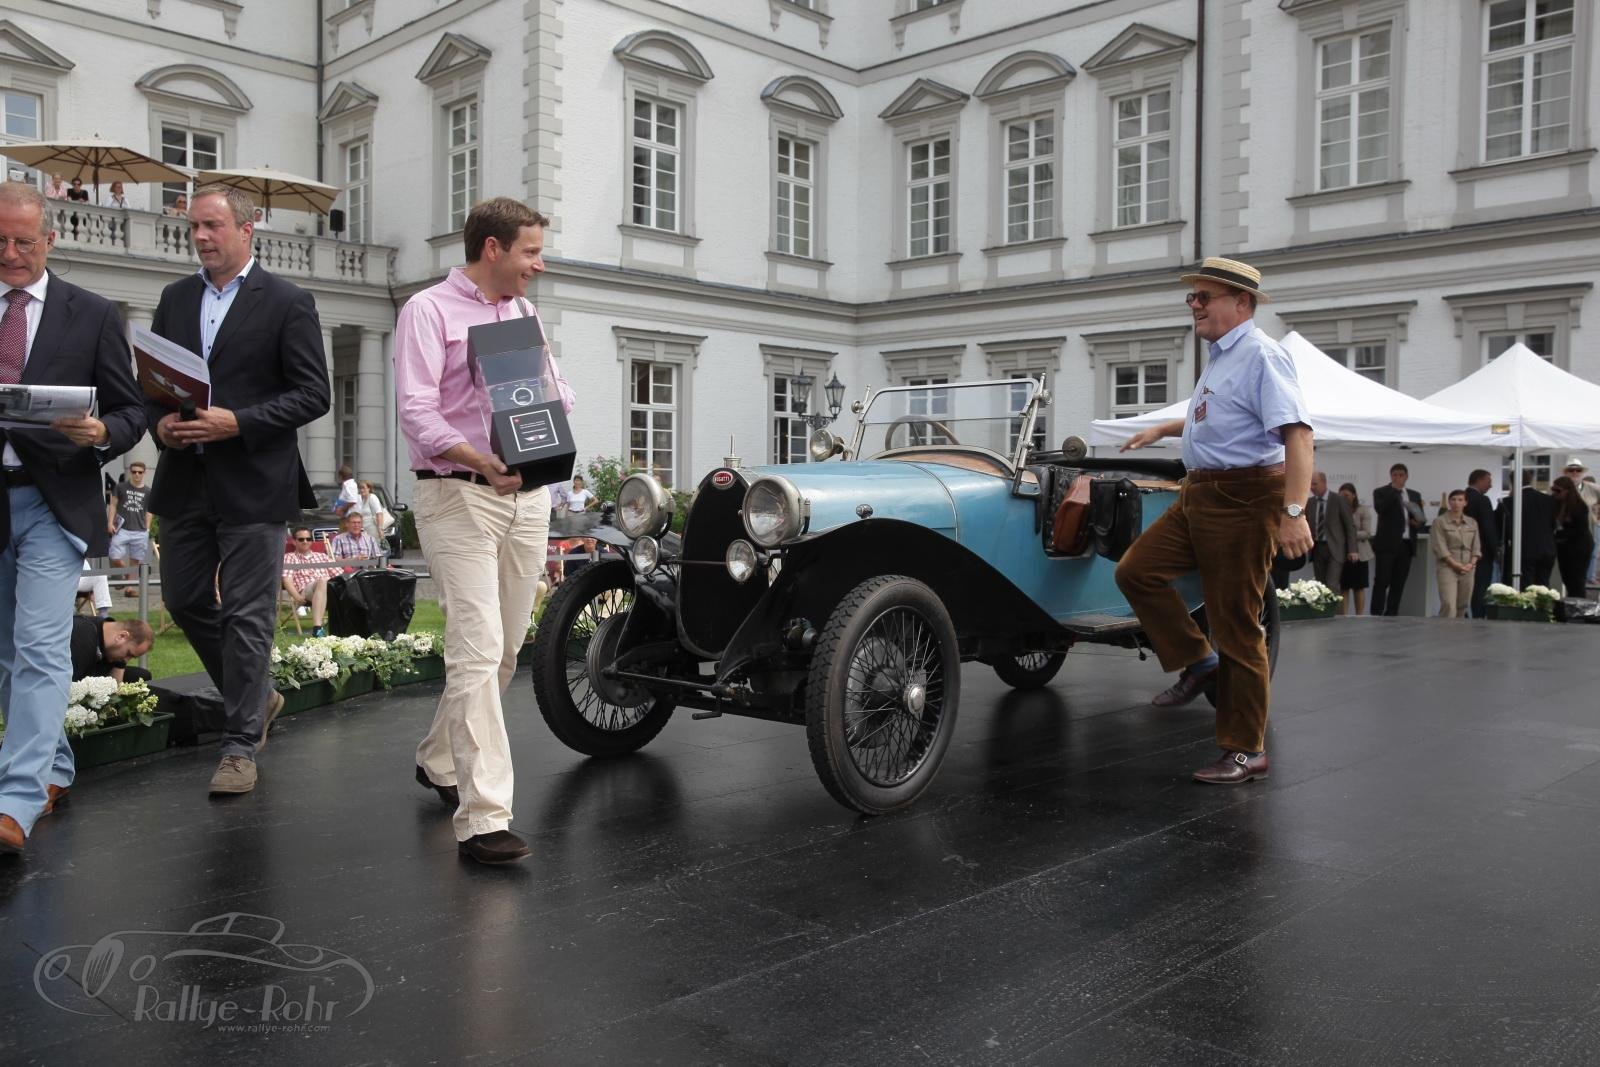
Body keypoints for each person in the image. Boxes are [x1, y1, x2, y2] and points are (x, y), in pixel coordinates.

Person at [395, 196, 575, 862]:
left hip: (528, 495)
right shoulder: (428, 311)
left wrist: (548, 414)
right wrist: (478, 456)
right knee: (476, 648)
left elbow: (556, 388)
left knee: (503, 652)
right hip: (457, 495)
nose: (539, 264)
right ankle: (484, 818)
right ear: (492, 249)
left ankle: (439, 758)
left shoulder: (523, 313)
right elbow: (416, 412)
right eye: (531, 251)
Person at [146, 182, 330, 796]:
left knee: (249, 616)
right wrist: (159, 425)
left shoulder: (287, 301)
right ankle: (256, 696)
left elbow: (314, 394)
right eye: (194, 226)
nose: (200, 236)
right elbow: (154, 386)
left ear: (247, 230)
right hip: (186, 478)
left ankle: (238, 745)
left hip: (254, 482)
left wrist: (239, 421)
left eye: (212, 226)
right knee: (184, 599)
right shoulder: (174, 298)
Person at [1115, 257, 1312, 786]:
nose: (1194, 306)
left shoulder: (1262, 355)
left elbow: (1298, 435)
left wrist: (1294, 512)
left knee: (1237, 626)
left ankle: (1246, 750)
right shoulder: (1222, 356)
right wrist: (1164, 429)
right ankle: (1200, 663)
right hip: (1200, 493)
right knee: (1136, 572)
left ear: (1242, 303)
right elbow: (1225, 415)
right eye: (1192, 297)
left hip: (1246, 499)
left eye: (1205, 297)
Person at [0, 181, 146, 857]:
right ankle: (54, 766)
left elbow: (131, 411)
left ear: (50, 240)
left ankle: (16, 799)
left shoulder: (91, 313)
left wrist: (102, 432)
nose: (10, 253)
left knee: (38, 646)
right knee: (8, 652)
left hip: (53, 501)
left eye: (23, 241)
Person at [1370, 463, 1425, 616]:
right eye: (1395, 475)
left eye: (1401, 475)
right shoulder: (1381, 492)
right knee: (1381, 581)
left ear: (1406, 477)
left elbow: (1421, 518)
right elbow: (1381, 509)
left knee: (1399, 582)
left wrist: (1418, 523)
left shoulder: (1414, 494)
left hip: (1406, 544)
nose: (1398, 478)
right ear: (1390, 476)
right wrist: (1395, 491)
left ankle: (1392, 614)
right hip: (1386, 545)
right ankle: (1376, 614)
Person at [1496, 472, 1556, 588]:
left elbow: (1504, 528)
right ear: (1530, 480)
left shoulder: (1508, 502)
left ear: (1512, 482)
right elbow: (1553, 524)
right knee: (1543, 586)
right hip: (1547, 550)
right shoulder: (1548, 500)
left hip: (1523, 551)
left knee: (1526, 588)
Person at [1431, 490, 1480, 618]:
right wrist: (1455, 564)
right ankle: (1446, 630)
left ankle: (1459, 630)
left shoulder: (1472, 522)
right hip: (1447, 566)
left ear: (1465, 503)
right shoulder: (1439, 522)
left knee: (1463, 604)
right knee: (1448, 604)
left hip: (1468, 567)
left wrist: (1471, 564)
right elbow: (1440, 547)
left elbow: (1476, 547)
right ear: (1449, 502)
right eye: (1453, 499)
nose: (1456, 503)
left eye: (1460, 500)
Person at [282, 527, 338, 637]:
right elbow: (287, 580)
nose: (305, 542)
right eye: (301, 539)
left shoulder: (322, 556)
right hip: (306, 590)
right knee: (322, 580)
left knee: (333, 582)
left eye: (308, 539)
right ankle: (317, 628)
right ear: (294, 541)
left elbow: (338, 575)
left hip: (328, 589)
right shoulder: (289, 558)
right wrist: (297, 597)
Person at [1305, 471, 1355, 590]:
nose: (1312, 487)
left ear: (1324, 483)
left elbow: (1349, 525)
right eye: (1310, 484)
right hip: (1317, 549)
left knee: (1332, 585)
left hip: (1335, 548)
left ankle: (1336, 603)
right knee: (1320, 586)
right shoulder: (1310, 502)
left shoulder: (1339, 500)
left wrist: (1352, 550)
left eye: (1315, 484)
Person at [107, 460, 151, 595]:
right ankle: (127, 576)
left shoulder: (148, 491)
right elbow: (113, 505)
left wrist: (148, 529)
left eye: (140, 472)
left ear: (144, 473)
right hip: (122, 529)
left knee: (135, 560)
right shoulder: (121, 487)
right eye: (134, 472)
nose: (137, 474)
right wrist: (110, 522)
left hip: (140, 530)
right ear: (130, 473)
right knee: (114, 556)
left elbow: (149, 511)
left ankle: (130, 588)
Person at [70, 616, 154, 684]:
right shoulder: (83, 639)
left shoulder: (115, 641)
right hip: (73, 677)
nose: (126, 660)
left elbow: (116, 686)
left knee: (141, 676)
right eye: (128, 654)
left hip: (91, 674)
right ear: (121, 636)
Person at [1463, 469, 1500, 617]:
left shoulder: (1461, 497)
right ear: (1478, 480)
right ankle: (1478, 617)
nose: (1490, 485)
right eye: (1488, 481)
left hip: (1462, 551)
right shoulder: (1482, 500)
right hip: (1482, 552)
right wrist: (1496, 549)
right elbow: (1488, 527)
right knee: (1480, 588)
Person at [1551, 475, 1595, 598]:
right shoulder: (1555, 503)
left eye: (1558, 490)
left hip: (1579, 547)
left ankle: (1579, 604)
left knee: (1576, 580)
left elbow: (1579, 530)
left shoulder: (1579, 506)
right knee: (1566, 579)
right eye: (1553, 489)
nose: (1554, 493)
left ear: (1567, 491)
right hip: (1563, 546)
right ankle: (1572, 602)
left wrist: (1557, 533)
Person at [1562, 458, 1600, 584]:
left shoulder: (1593, 488)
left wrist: (1597, 517)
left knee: (1591, 555)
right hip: (1566, 534)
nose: (1575, 472)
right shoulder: (1559, 487)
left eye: (1578, 470)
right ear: (1566, 472)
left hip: (1588, 531)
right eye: (1571, 470)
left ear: (1582, 472)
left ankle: (1588, 579)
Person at [1339, 483, 1373, 615]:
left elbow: (1367, 532)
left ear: (1354, 495)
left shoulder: (1362, 510)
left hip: (1360, 554)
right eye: (1341, 496)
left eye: (1346, 495)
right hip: (1342, 554)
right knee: (1344, 587)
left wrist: (1349, 534)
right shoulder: (1337, 510)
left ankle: (1360, 616)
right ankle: (1343, 616)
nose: (1344, 498)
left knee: (1359, 587)